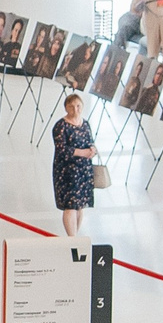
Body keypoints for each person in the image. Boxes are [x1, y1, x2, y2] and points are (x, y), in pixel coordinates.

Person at [51, 92, 99, 235]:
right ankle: (72, 238)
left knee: (79, 206)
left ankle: (75, 236)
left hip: (83, 170)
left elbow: (90, 141)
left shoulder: (85, 124)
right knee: (70, 205)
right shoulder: (61, 126)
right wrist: (82, 152)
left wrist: (92, 150)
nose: (75, 109)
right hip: (67, 172)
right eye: (71, 106)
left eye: (78, 106)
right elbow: (61, 149)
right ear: (66, 108)